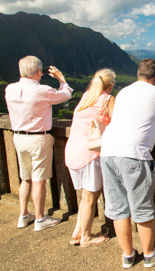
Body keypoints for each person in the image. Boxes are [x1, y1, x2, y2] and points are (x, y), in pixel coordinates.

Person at [100, 58, 155, 269]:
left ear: (138, 74)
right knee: (142, 207)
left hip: (108, 152)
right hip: (133, 154)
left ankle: (128, 256)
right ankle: (150, 255)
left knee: (118, 208)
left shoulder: (123, 92)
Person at [5, 55, 73, 231]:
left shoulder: (10, 89)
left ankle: (23, 216)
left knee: (25, 179)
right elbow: (65, 95)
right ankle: (40, 219)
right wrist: (61, 79)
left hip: (18, 137)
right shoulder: (42, 90)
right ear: (37, 71)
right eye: (41, 72)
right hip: (38, 138)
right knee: (39, 180)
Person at [64, 68, 116, 247]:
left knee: (84, 196)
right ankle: (86, 237)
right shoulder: (107, 99)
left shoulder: (86, 97)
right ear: (110, 86)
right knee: (89, 198)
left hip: (71, 151)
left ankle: (78, 231)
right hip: (90, 153)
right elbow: (118, 123)